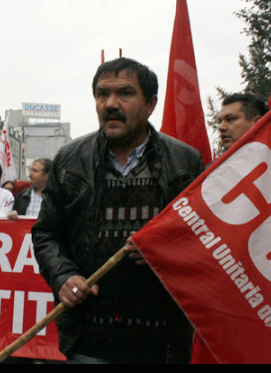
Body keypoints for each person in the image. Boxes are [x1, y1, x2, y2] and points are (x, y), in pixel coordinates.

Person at [32, 57, 204, 364]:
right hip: (89, 339)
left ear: (150, 104)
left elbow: (204, 239)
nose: (110, 104)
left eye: (125, 93)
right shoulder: (69, 160)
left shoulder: (185, 161)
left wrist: (166, 249)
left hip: (162, 341)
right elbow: (47, 233)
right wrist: (63, 276)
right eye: (102, 94)